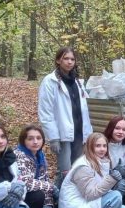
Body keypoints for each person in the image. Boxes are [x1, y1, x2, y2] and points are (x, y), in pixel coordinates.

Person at [58, 132, 125, 208]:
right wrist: (112, 178)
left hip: (87, 203)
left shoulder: (99, 161)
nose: (102, 149)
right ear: (90, 147)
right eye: (97, 146)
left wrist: (116, 177)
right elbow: (90, 194)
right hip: (77, 207)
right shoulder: (83, 166)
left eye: (104, 146)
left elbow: (101, 186)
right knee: (116, 196)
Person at [38, 46, 92, 187]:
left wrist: (88, 134)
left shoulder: (77, 82)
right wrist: (53, 137)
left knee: (77, 169)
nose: (69, 62)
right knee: (65, 171)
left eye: (72, 59)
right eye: (66, 58)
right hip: (63, 133)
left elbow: (84, 110)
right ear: (58, 60)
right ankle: (55, 200)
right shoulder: (50, 81)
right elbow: (46, 111)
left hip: (80, 132)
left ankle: (71, 200)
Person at [14, 124, 58, 208]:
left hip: (33, 192)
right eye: (30, 139)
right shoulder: (19, 155)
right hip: (18, 196)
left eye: (39, 138)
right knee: (38, 195)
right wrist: (51, 187)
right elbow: (27, 183)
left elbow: (44, 180)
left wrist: (49, 204)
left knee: (59, 198)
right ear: (23, 140)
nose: (35, 142)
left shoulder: (39, 155)